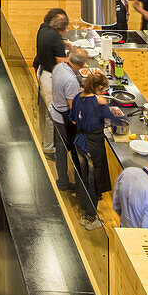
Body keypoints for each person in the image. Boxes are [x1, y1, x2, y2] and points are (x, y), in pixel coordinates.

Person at [71, 71, 120, 230]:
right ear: (99, 87)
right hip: (92, 145)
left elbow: (72, 118)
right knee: (93, 181)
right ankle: (92, 219)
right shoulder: (99, 101)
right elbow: (115, 120)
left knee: (84, 178)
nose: (104, 92)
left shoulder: (78, 97)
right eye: (104, 89)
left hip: (79, 141)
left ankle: (84, 214)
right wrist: (117, 115)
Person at [33, 9, 70, 155]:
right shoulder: (55, 39)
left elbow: (51, 45)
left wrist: (65, 44)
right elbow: (62, 65)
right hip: (50, 78)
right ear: (62, 28)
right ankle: (49, 148)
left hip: (41, 71)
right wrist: (74, 57)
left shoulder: (43, 28)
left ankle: (47, 141)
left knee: (46, 111)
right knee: (52, 114)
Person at [50, 47, 87, 192]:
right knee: (76, 152)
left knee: (60, 151)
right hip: (64, 120)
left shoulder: (59, 67)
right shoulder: (71, 80)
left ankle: (62, 182)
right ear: (81, 64)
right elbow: (73, 108)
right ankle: (80, 186)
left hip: (54, 112)